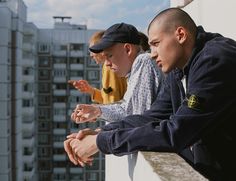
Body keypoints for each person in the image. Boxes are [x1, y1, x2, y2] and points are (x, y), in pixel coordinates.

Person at [65, 8, 236, 180]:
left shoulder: (214, 61)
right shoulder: (179, 69)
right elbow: (152, 116)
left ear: (181, 35)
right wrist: (103, 132)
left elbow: (176, 132)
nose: (152, 54)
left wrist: (102, 142)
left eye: (155, 44)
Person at [70, 23, 163, 123]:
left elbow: (139, 119)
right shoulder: (132, 72)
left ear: (128, 49)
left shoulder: (144, 61)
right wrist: (97, 111)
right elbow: (127, 110)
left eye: (109, 56)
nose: (107, 64)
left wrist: (101, 134)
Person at [68, 30, 127, 104]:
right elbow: (107, 98)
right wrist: (90, 90)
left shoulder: (109, 67)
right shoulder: (110, 65)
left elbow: (113, 103)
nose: (91, 55)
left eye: (92, 50)